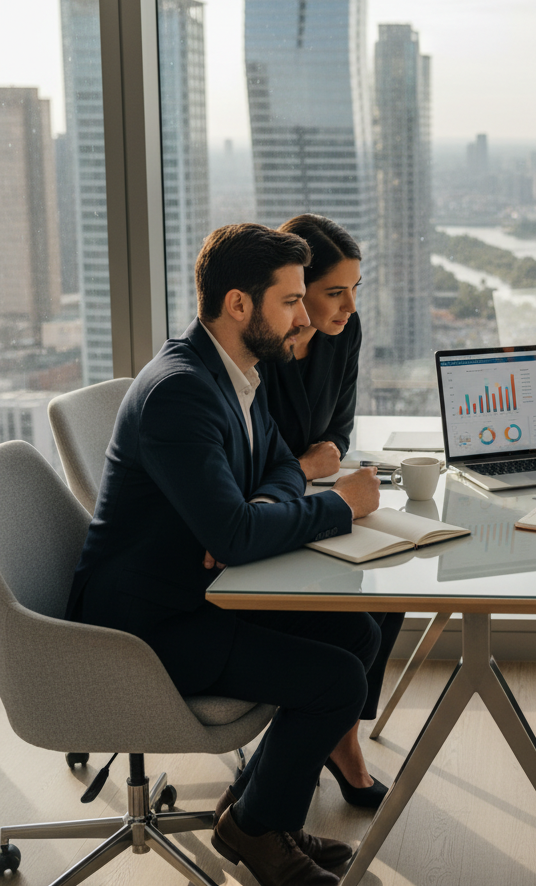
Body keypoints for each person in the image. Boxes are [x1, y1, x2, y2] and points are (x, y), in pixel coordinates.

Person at [66, 223, 384, 886]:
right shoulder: (182, 391)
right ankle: (259, 832)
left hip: (198, 590)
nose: (305, 316)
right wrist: (342, 506)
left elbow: (277, 470)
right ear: (240, 305)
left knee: (355, 630)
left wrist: (262, 510)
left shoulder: (233, 372)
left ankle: (258, 812)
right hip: (145, 627)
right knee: (338, 681)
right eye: (292, 301)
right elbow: (235, 536)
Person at [261, 213, 402, 809]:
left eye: (354, 290)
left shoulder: (346, 331)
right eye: (332, 292)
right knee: (353, 612)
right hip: (268, 504)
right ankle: (340, 746)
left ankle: (339, 736)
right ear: (297, 291)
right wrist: (308, 465)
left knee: (392, 582)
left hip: (310, 489)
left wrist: (322, 459)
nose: (347, 306)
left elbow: (337, 429)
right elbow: (258, 458)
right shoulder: (261, 347)